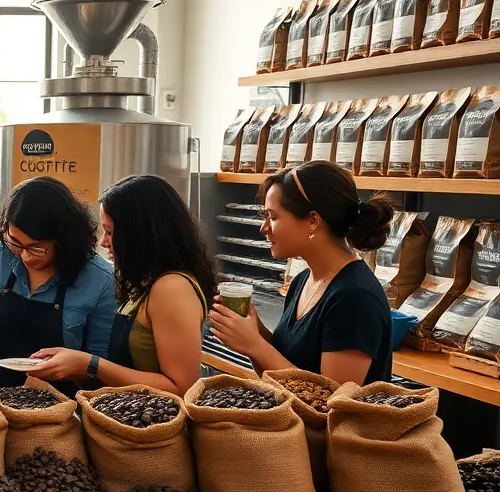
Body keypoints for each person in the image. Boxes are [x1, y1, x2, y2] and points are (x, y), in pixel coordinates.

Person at [208, 161, 395, 386]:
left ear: (313, 221)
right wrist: (254, 332)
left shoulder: (356, 297)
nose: (263, 228)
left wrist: (254, 345)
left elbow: (330, 403)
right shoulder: (302, 281)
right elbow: (281, 372)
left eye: (273, 217)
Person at [28, 175, 216, 395]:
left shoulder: (172, 288)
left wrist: (92, 364)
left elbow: (182, 388)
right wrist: (74, 368)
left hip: (155, 426)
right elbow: (117, 379)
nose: (104, 242)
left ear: (139, 233)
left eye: (109, 232)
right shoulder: (145, 283)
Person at [0, 176, 118, 392]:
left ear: (63, 239)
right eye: (15, 243)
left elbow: (100, 378)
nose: (24, 256)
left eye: (35, 248)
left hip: (57, 412)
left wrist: (75, 366)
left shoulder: (101, 280)